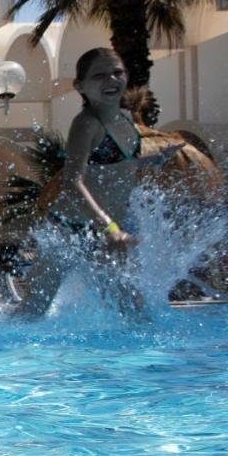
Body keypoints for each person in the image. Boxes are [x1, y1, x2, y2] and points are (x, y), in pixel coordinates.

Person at [22, 48, 185, 316]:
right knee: (31, 312)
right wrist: (109, 228)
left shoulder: (126, 118)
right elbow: (72, 182)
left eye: (117, 72)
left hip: (105, 232)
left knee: (134, 311)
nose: (110, 80)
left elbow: (116, 166)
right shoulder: (87, 124)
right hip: (69, 231)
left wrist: (152, 158)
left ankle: (136, 359)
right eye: (99, 76)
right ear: (80, 86)